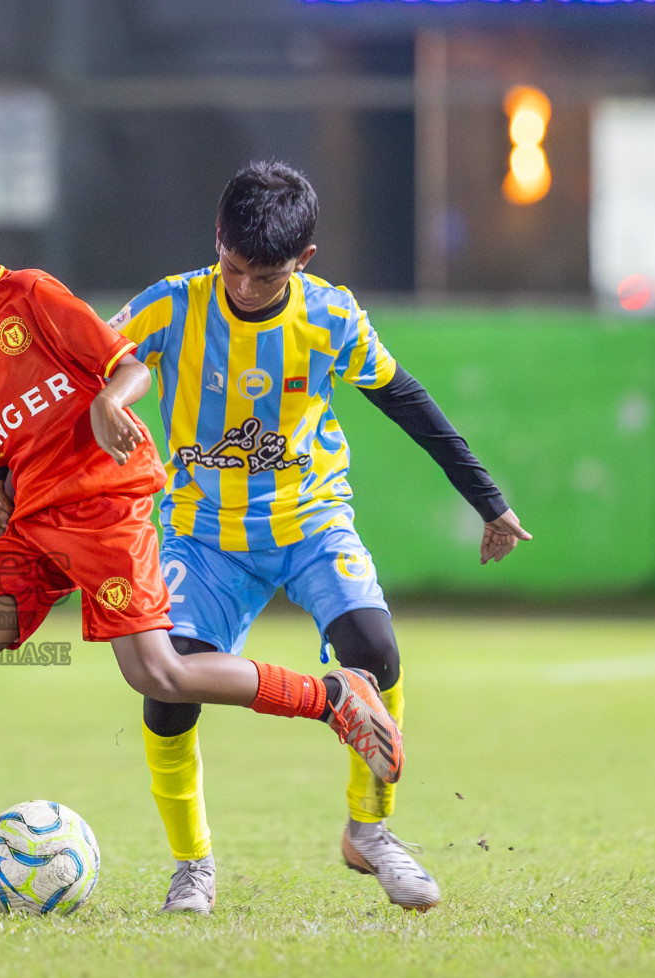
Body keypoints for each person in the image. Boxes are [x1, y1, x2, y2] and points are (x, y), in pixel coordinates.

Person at [0, 155, 404, 916]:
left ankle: (333, 693)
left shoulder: (34, 296)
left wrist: (113, 395)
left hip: (106, 506)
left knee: (159, 676)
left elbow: (125, 362)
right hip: (36, 527)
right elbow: (7, 447)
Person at [104, 161, 532, 914]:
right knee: (172, 683)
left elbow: (407, 401)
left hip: (310, 521)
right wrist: (5, 474)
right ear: (217, 240)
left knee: (378, 653)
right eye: (233, 268)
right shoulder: (171, 306)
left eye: (264, 276)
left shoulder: (332, 317)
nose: (243, 288)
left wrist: (488, 501)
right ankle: (192, 865)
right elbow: (83, 372)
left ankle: (369, 831)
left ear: (302, 262)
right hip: (203, 537)